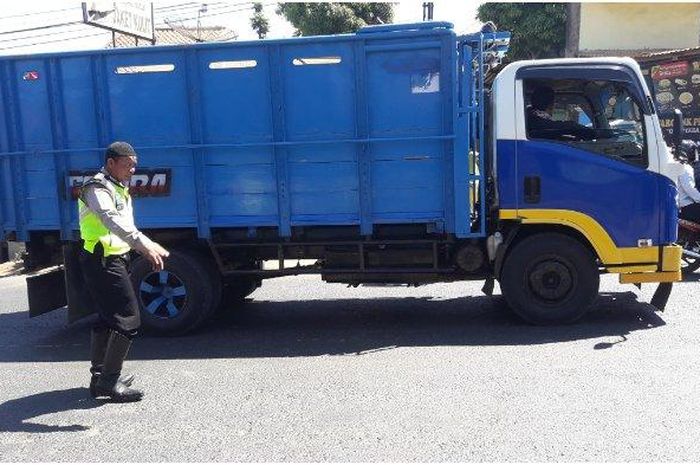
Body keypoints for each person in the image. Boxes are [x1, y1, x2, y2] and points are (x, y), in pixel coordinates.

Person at [78, 141, 170, 402]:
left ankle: (100, 377)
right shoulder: (96, 188)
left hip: (113, 258)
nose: (132, 170)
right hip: (102, 260)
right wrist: (143, 246)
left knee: (107, 318)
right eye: (128, 165)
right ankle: (108, 381)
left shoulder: (117, 186)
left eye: (134, 166)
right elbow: (110, 219)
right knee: (128, 318)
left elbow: (125, 224)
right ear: (111, 163)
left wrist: (147, 243)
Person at [526, 85, 596, 141]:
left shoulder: (526, 119)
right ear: (551, 105)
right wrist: (595, 134)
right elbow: (568, 126)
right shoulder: (538, 123)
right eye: (554, 102)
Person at [677, 141, 700, 224]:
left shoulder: (676, 165)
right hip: (686, 207)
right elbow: (690, 189)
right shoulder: (684, 167)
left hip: (683, 206)